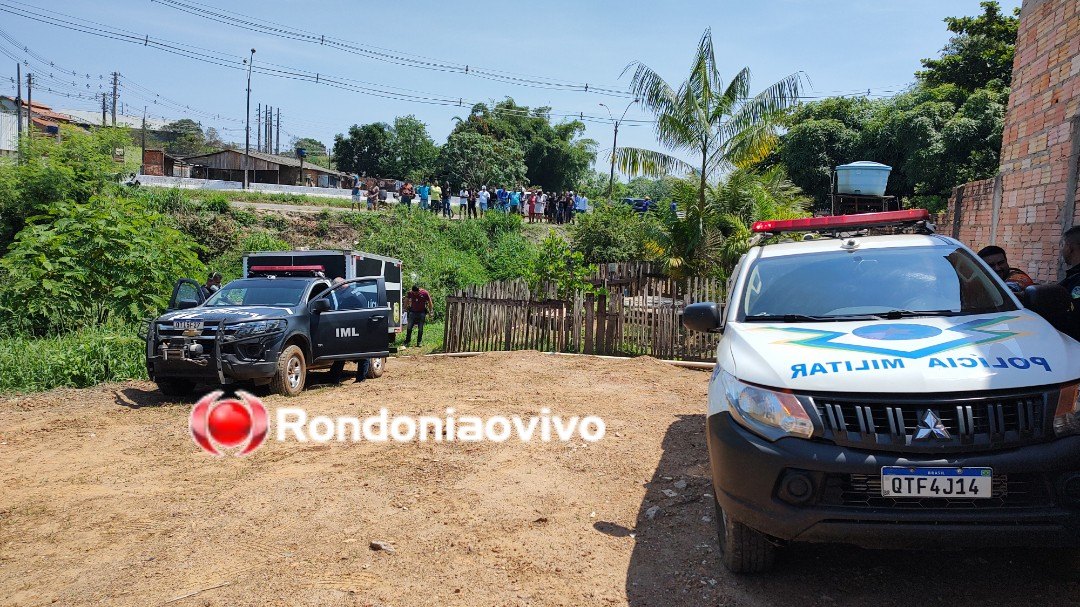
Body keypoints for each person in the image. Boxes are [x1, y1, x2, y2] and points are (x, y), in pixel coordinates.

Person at [1060, 226, 1080, 341]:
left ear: (1069, 247)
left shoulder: (1076, 281)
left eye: (1063, 245)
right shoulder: (1073, 276)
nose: (1062, 250)